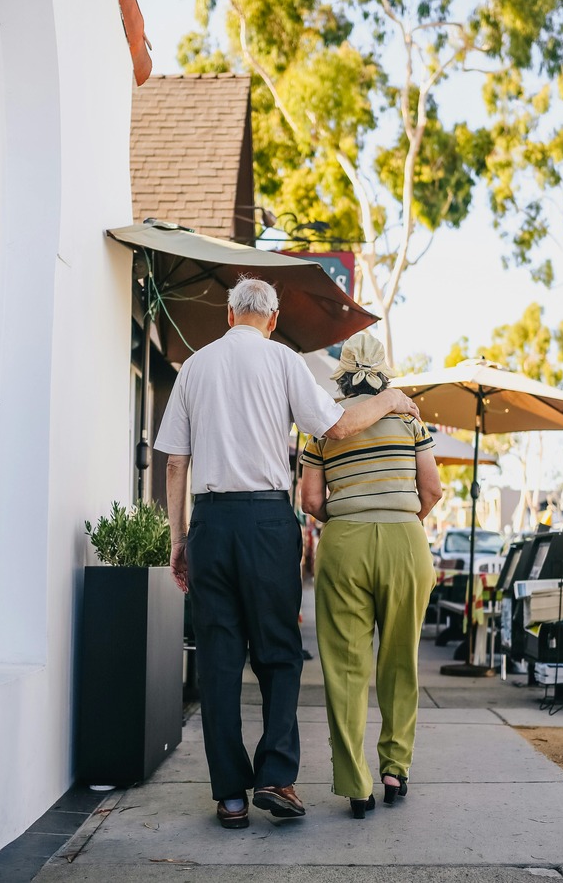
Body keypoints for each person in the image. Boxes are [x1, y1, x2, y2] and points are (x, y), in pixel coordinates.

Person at [154, 276, 422, 831]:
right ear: (271, 320)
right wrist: (392, 399)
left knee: (220, 663)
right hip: (266, 523)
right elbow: (339, 426)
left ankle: (230, 796)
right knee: (279, 652)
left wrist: (180, 541)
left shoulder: (195, 368)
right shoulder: (283, 361)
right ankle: (276, 777)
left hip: (210, 520)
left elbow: (175, 463)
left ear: (230, 316)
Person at [299, 332, 443, 819]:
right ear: (384, 372)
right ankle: (394, 768)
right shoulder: (408, 418)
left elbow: (311, 501)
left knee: (344, 667)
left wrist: (352, 519)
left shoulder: (325, 423)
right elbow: (433, 489)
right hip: (406, 540)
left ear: (343, 371)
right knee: (401, 659)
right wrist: (400, 517)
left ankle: (356, 783)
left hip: (345, 544)